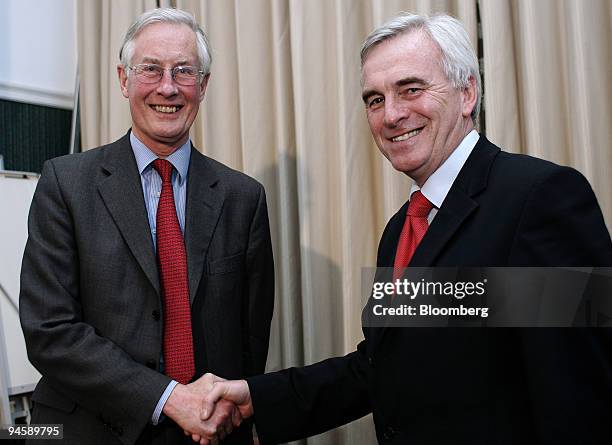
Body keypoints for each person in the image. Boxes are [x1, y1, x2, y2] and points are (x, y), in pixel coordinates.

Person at [200, 13, 612, 445]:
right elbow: (383, 366)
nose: (391, 115)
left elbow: (579, 395)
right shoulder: (403, 227)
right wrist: (254, 398)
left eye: (410, 89)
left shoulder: (541, 197)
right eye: (374, 99)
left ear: (467, 91)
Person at [19, 8, 274, 445]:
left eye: (184, 72)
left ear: (204, 85)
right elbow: (50, 330)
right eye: (150, 70)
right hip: (89, 430)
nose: (168, 87)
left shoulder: (243, 198)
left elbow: (249, 342)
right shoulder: (65, 183)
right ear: (123, 80)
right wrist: (168, 398)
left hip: (206, 434)